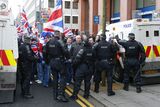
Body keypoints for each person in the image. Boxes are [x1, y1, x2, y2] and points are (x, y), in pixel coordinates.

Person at [46, 32, 69, 102]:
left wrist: (48, 61)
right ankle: (61, 95)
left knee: (55, 79)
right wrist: (68, 58)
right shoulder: (60, 42)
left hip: (52, 62)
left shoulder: (49, 42)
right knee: (63, 77)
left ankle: (55, 95)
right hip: (60, 62)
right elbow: (66, 51)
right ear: (59, 35)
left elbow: (45, 52)